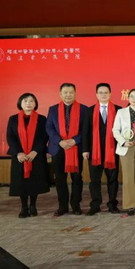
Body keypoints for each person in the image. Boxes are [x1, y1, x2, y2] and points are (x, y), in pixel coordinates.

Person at [46, 83, 88, 216]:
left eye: (71, 92)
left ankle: (76, 205)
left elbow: (86, 129)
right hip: (58, 149)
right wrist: (60, 141)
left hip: (76, 147)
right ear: (60, 94)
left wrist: (75, 140)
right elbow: (49, 128)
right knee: (60, 179)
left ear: (75, 93)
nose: (68, 95)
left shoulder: (83, 109)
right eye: (65, 92)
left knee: (77, 178)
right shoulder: (53, 109)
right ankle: (62, 206)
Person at [6, 93, 50, 218]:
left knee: (34, 182)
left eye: (31, 101)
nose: (28, 103)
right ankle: (24, 207)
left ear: (35, 104)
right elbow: (10, 137)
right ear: (20, 103)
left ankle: (33, 206)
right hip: (20, 156)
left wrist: (35, 151)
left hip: (36, 156)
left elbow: (44, 137)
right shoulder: (13, 119)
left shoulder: (42, 119)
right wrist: (18, 152)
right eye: (25, 101)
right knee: (22, 183)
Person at [81, 83, 122, 215]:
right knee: (94, 180)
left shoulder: (118, 110)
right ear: (96, 94)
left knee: (113, 179)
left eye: (106, 92)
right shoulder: (89, 111)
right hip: (94, 151)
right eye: (101, 92)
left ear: (110, 94)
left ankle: (112, 204)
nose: (103, 95)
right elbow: (85, 132)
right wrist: (85, 149)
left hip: (112, 151)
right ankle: (95, 204)